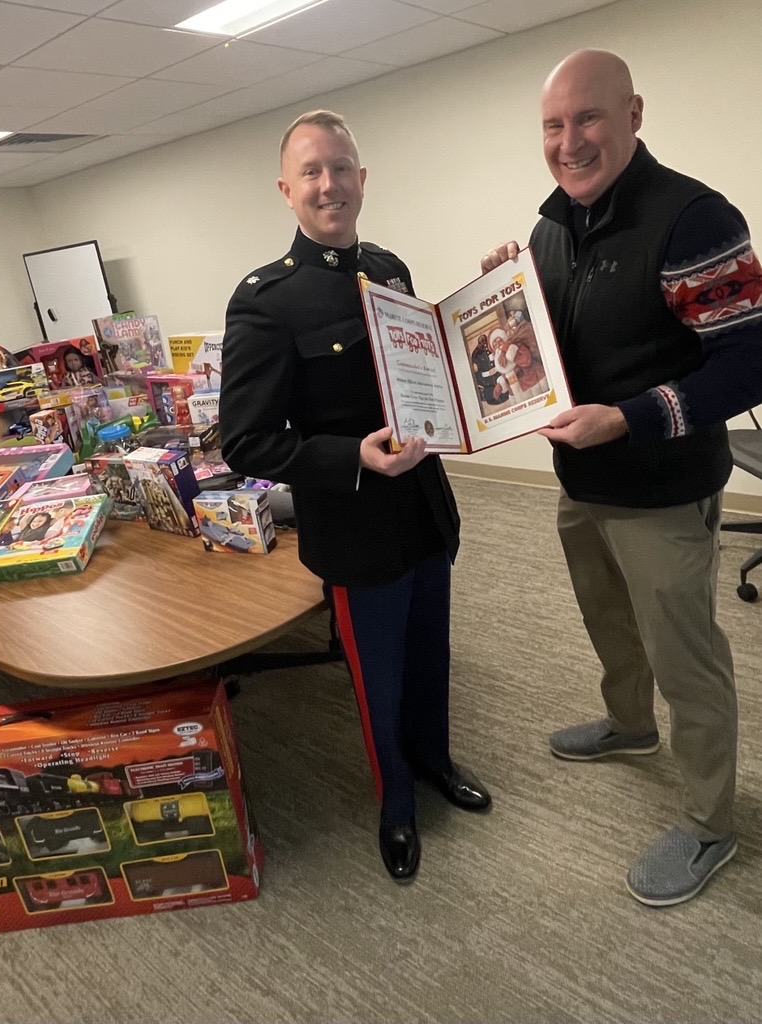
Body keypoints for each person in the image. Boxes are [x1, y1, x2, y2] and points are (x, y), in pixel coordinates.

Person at [481, 50, 762, 906]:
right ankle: (631, 727)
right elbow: (558, 355)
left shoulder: (694, 218)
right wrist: (505, 301)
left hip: (665, 491)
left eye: (589, 118)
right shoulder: (549, 227)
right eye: (554, 125)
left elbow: (748, 363)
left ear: (633, 115)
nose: (570, 142)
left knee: (689, 660)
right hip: (584, 481)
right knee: (610, 623)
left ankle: (712, 824)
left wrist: (629, 417)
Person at [220, 110, 491, 885]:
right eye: (311, 171)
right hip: (355, 523)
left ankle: (435, 762)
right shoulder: (265, 301)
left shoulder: (390, 267)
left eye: (341, 167)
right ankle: (396, 803)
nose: (329, 184)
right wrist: (354, 456)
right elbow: (246, 442)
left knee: (429, 652)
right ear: (287, 189)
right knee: (377, 676)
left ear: (362, 179)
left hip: (425, 510)